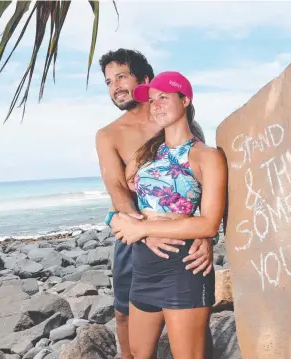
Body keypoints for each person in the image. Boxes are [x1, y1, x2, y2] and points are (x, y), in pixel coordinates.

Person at [95, 49, 215, 359]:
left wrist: (204, 234)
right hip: (133, 227)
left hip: (179, 234)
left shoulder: (175, 121)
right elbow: (117, 188)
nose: (115, 87)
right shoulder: (109, 134)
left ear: (145, 80)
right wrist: (143, 230)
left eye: (122, 76)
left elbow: (198, 187)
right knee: (123, 311)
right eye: (109, 82)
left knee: (194, 327)